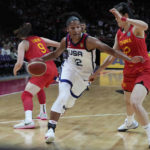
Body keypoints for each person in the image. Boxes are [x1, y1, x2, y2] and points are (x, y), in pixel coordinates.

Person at [34, 12, 143, 143]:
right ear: (67, 29)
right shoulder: (66, 40)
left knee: (69, 102)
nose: (75, 30)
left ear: (82, 27)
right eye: (72, 28)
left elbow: (112, 51)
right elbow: (55, 54)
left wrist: (129, 59)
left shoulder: (89, 41)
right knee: (62, 95)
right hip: (69, 69)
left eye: (77, 27)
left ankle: (63, 107)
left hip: (85, 75)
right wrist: (40, 59)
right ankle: (50, 130)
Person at [89, 2, 150, 148]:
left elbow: (145, 25)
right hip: (128, 71)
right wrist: (98, 71)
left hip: (144, 70)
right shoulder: (119, 33)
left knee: (135, 102)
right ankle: (130, 122)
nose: (117, 22)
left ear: (125, 16)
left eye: (118, 19)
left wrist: (125, 20)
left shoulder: (136, 29)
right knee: (128, 102)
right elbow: (112, 55)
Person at [13, 22, 60, 129]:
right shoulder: (41, 39)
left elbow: (19, 63)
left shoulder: (23, 44)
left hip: (42, 70)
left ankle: (28, 121)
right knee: (39, 88)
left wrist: (14, 70)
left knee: (26, 95)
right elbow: (59, 45)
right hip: (52, 68)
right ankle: (43, 113)